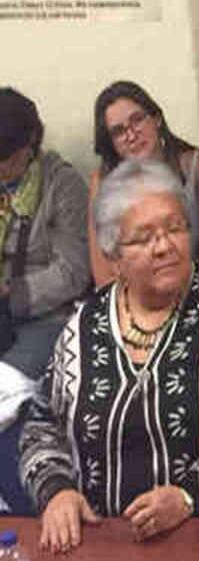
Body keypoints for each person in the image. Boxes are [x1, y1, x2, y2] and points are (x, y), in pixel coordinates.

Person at [19, 159, 199, 554]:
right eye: (143, 237)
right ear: (114, 255)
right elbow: (41, 424)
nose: (163, 246)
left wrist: (189, 496)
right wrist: (55, 491)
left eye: (174, 228)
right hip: (105, 545)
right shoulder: (84, 324)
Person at [0, 88, 90, 380]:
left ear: (30, 141)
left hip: (44, 317)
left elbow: (73, 272)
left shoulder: (62, 184)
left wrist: (10, 292)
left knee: (6, 386)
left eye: (5, 157)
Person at [89, 81, 199, 287]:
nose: (131, 135)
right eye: (119, 131)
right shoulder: (103, 183)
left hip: (198, 288)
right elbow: (104, 276)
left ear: (156, 119)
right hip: (136, 297)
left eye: (137, 120)